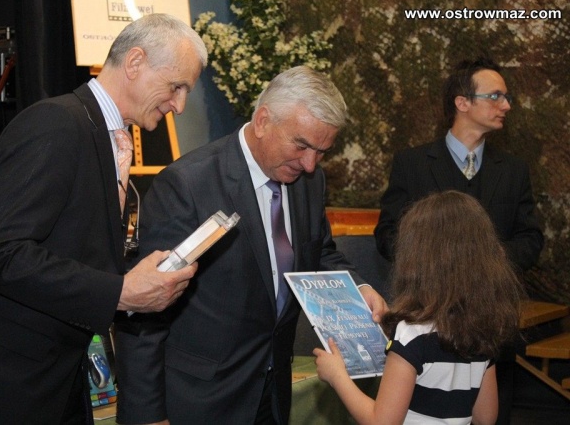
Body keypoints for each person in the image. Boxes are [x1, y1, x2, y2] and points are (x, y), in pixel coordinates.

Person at [0, 13, 207, 424]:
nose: (179, 106)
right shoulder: (55, 123)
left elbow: (72, 252)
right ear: (134, 63)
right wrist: (120, 291)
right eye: (176, 87)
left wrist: (137, 281)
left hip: (51, 380)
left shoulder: (106, 135)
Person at [113, 66, 388, 425]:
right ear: (262, 121)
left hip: (272, 396)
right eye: (301, 145)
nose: (309, 164)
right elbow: (146, 310)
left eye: (322, 152)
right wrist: (147, 415)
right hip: (201, 401)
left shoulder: (309, 182)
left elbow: (318, 251)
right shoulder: (188, 185)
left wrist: (359, 288)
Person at [373, 56, 543, 424]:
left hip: (491, 324)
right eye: (495, 96)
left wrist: (483, 259)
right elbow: (387, 235)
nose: (506, 105)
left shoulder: (514, 170)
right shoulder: (412, 163)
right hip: (425, 324)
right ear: (462, 102)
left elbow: (531, 240)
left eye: (507, 97)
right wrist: (435, 259)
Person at [315, 190, 525, 425]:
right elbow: (485, 416)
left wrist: (337, 376)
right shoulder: (481, 331)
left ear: (416, 260)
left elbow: (382, 422)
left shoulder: (412, 335)